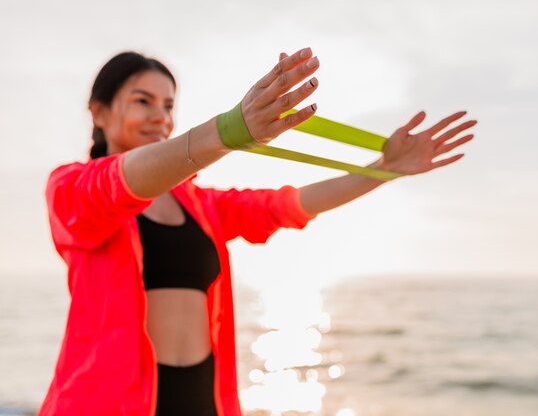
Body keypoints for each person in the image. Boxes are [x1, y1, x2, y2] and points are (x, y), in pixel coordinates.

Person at [40, 48, 476, 416]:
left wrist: (382, 170)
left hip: (203, 399)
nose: (160, 117)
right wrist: (227, 132)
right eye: (143, 101)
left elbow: (286, 205)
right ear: (98, 111)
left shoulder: (203, 205)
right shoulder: (72, 189)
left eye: (169, 105)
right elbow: (118, 182)